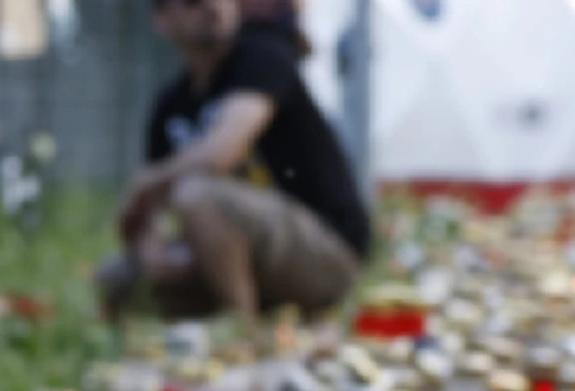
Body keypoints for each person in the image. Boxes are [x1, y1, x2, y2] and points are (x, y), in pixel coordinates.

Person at [98, 0, 371, 321]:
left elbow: (219, 155)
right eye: (192, 2)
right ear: (161, 20)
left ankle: (240, 332)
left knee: (196, 194)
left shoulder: (261, 58)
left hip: (327, 257)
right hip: (243, 266)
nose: (212, 6)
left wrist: (147, 181)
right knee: (114, 278)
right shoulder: (170, 105)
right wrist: (150, 247)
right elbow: (149, 216)